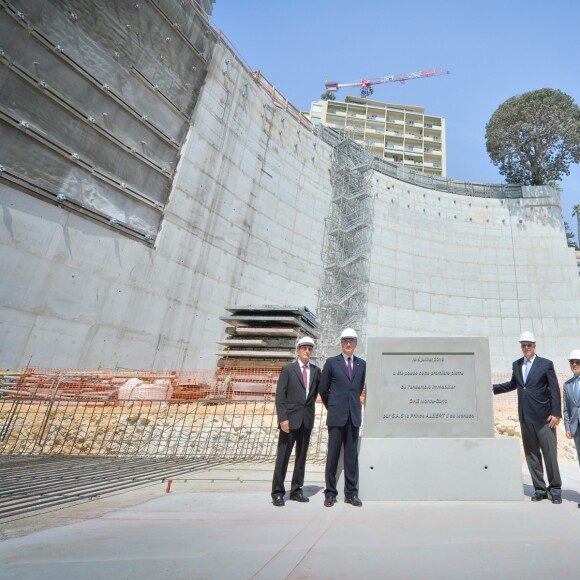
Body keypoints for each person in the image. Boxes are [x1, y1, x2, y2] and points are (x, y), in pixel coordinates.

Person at [493, 331, 562, 503]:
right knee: (532, 455)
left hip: (544, 418)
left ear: (534, 346)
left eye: (529, 345)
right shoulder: (516, 365)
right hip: (525, 417)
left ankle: (555, 490)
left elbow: (554, 389)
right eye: (523, 345)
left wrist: (556, 414)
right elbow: (513, 385)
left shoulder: (545, 364)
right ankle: (539, 489)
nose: (526, 348)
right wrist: (492, 388)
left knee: (550, 455)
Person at [271, 336, 321, 506]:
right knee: (283, 457)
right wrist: (283, 418)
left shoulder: (316, 371)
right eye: (304, 348)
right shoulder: (288, 370)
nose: (307, 351)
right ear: (298, 350)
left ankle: (296, 490)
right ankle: (277, 492)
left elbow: (312, 396)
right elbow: (280, 397)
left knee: (301, 457)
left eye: (310, 348)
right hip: (289, 421)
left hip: (306, 420)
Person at [319, 328, 366, 507]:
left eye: (351, 341)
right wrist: (332, 406)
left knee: (351, 457)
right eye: (345, 341)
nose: (348, 344)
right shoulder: (331, 363)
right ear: (341, 343)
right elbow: (323, 389)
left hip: (353, 417)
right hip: (336, 417)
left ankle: (351, 494)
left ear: (355, 344)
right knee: (332, 456)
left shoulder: (362, 365)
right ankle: (330, 493)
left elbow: (358, 388)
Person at [563, 349, 580, 507]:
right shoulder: (567, 385)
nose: (574, 364)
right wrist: (567, 426)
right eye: (572, 362)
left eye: (577, 362)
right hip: (576, 428)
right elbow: (566, 409)